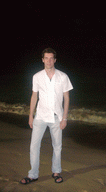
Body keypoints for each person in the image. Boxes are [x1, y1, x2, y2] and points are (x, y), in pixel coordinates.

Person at [20, 48, 73, 184]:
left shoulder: (63, 76)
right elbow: (34, 96)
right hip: (40, 116)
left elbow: (66, 98)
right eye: (46, 58)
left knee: (57, 145)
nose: (49, 61)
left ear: (55, 60)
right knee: (34, 145)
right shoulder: (37, 76)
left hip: (57, 117)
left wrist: (64, 118)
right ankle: (33, 174)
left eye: (51, 58)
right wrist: (30, 116)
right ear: (42, 59)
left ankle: (56, 171)